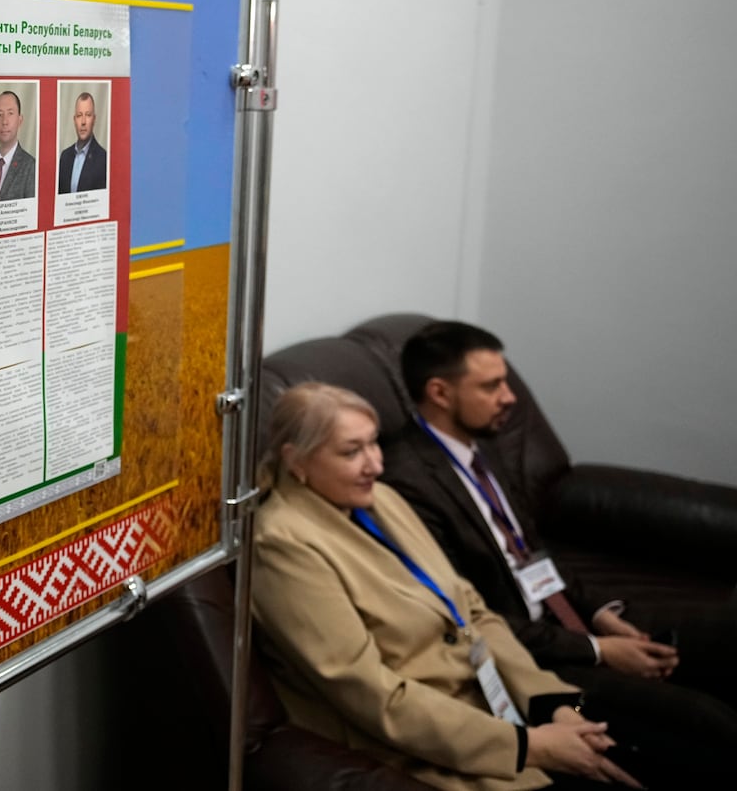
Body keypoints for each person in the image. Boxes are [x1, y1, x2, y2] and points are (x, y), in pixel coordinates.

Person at [253, 382, 647, 790]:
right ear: (295, 461)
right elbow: (370, 694)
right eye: (352, 452)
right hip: (421, 741)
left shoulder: (381, 498)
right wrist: (528, 746)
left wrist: (550, 703)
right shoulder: (282, 544)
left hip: (491, 700)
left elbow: (471, 609)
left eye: (374, 444)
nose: (375, 464)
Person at [384, 321, 737, 733]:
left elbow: (531, 548)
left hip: (570, 619)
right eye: (491, 386)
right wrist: (597, 650)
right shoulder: (405, 484)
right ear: (440, 393)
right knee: (708, 724)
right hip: (528, 656)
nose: (510, 398)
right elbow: (465, 615)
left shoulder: (480, 445)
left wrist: (603, 613)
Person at [56, 90, 107, 193]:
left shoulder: (103, 159)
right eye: (79, 116)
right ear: (74, 120)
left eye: (88, 115)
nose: (83, 122)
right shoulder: (65, 157)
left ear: (94, 119)